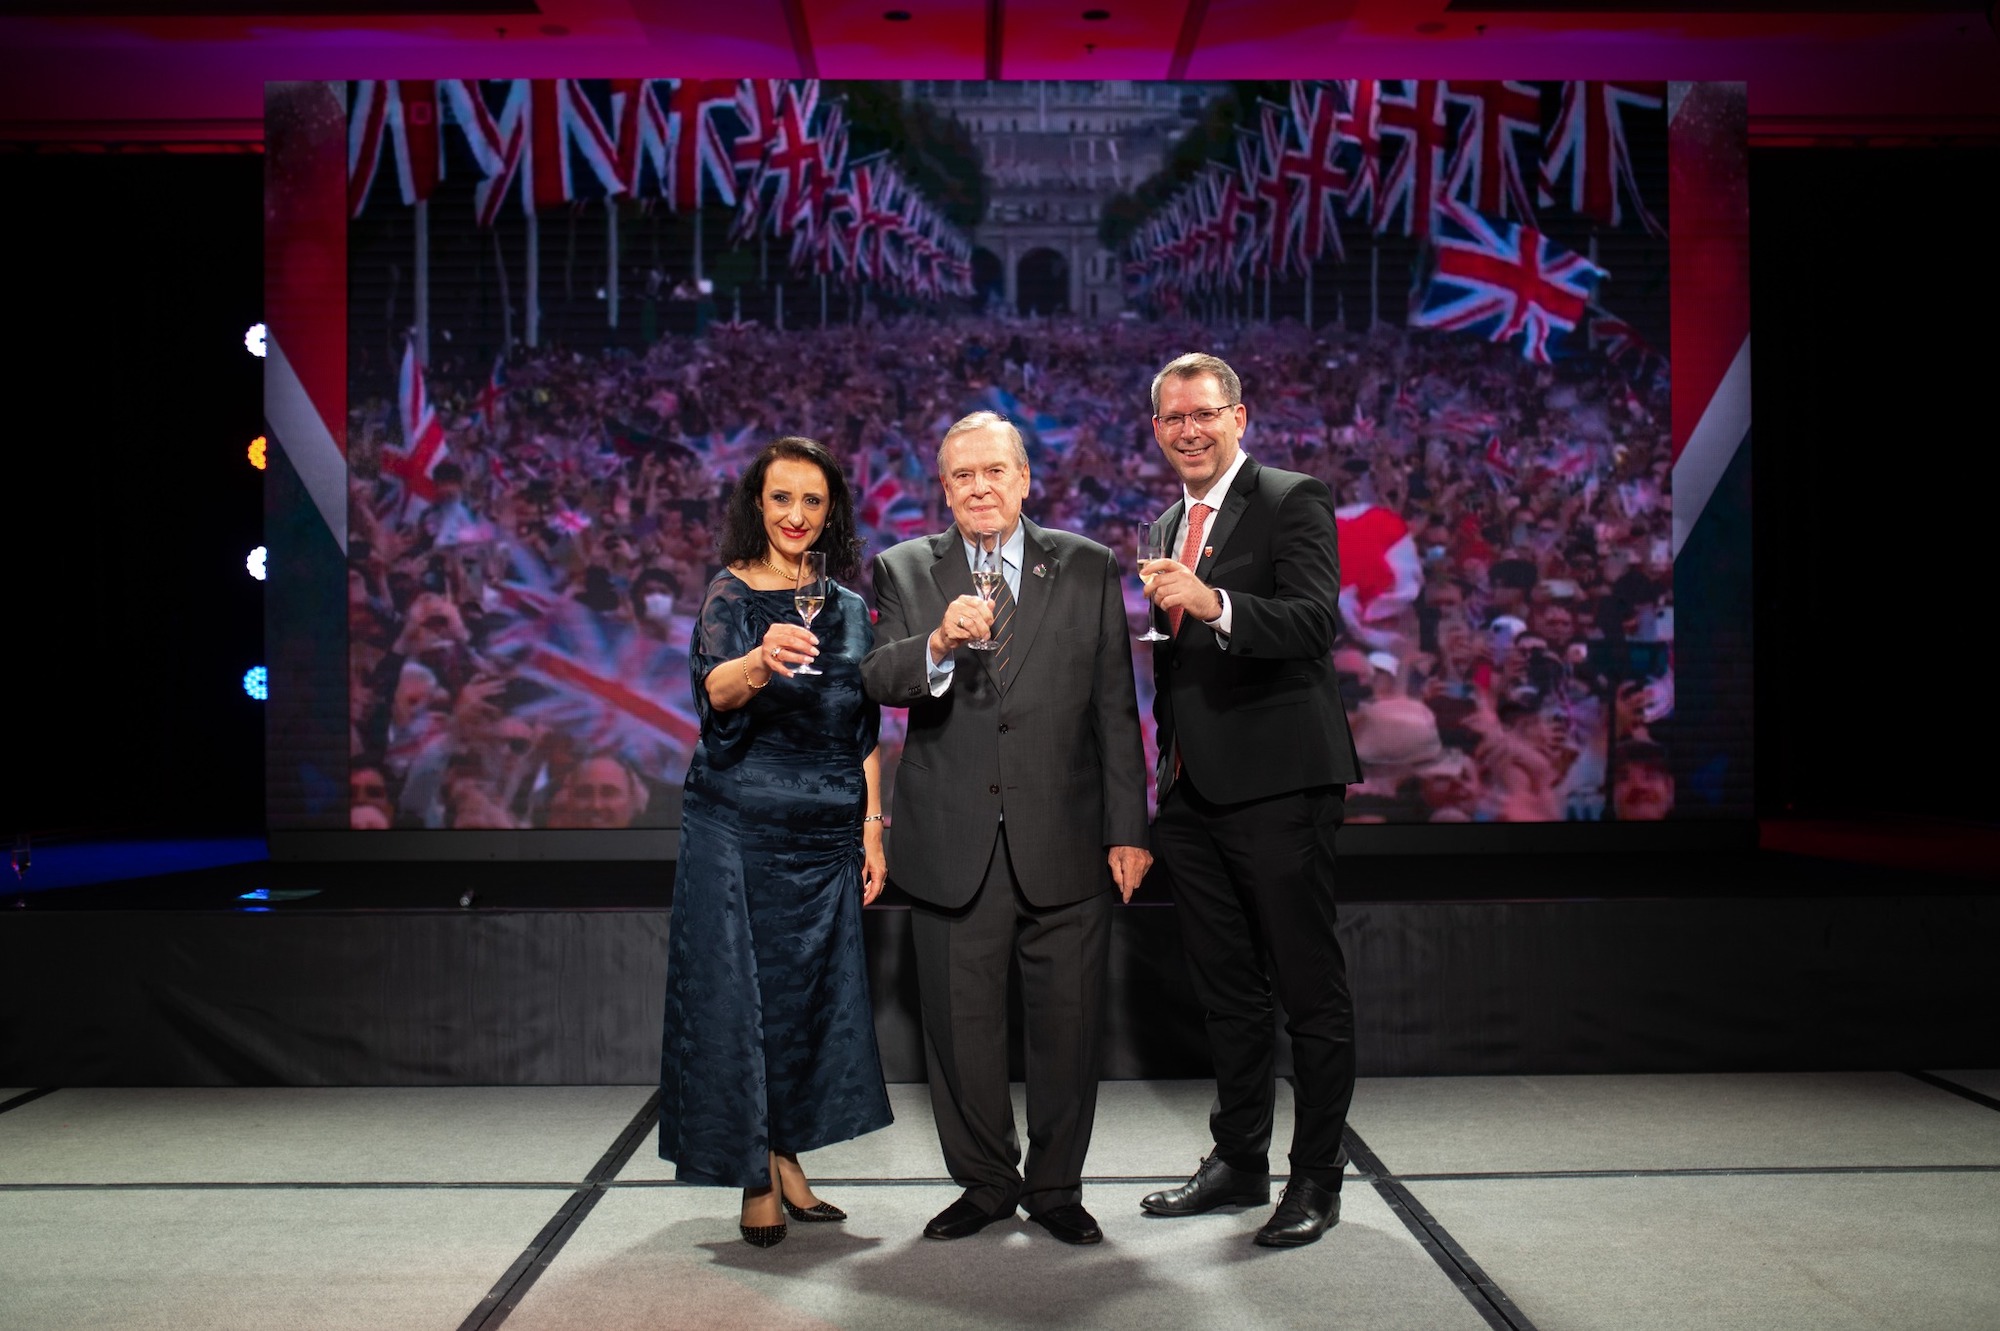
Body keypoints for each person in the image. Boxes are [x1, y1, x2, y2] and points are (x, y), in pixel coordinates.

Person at [861, 410, 1151, 1247]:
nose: (980, 487)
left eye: (994, 471)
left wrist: (1128, 827)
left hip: (1066, 834)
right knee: (960, 1029)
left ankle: (1057, 1186)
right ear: (943, 489)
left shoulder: (1089, 564)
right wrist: (938, 644)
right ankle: (985, 1181)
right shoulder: (904, 568)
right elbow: (878, 676)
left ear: (1026, 478)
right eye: (961, 475)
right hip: (952, 841)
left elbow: (1112, 704)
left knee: (1069, 1024)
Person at [1136, 352, 1364, 1250]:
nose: (1189, 430)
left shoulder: (1291, 498)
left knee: (1307, 988)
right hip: (1193, 793)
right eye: (1172, 419)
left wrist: (1216, 600)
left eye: (1204, 413)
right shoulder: (1165, 519)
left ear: (1241, 416)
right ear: (1157, 430)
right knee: (1227, 991)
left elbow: (1314, 621)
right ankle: (1239, 1161)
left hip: (1281, 786)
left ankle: (1317, 1177)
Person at [658, 436, 892, 1249]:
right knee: (740, 1003)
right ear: (757, 504)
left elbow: (864, 728)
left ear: (832, 513)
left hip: (827, 832)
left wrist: (872, 827)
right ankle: (754, 1173)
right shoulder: (729, 593)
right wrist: (760, 660)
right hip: (738, 823)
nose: (796, 515)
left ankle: (787, 1152)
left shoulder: (854, 609)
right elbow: (715, 693)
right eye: (781, 498)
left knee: (803, 1006)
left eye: (813, 501)